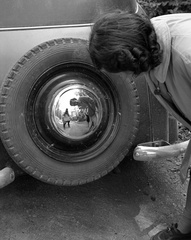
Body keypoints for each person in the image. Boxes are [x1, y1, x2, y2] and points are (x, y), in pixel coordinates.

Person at [89, 11, 191, 240]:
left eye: (121, 72)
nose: (125, 79)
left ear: (130, 58)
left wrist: (183, 152)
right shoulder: (148, 43)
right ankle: (186, 230)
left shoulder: (186, 54)